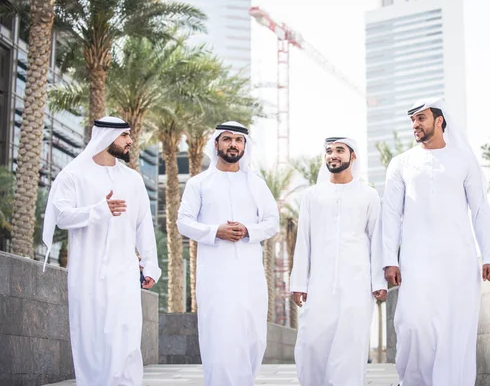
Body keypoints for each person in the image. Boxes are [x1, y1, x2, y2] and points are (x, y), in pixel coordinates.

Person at [377, 97, 490, 386]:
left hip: (459, 261)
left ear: (439, 121)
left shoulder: (464, 159)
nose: (415, 125)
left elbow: (480, 210)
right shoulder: (401, 163)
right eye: (412, 120)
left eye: (421, 118)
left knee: (456, 330)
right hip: (415, 262)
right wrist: (389, 260)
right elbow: (391, 214)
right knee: (412, 325)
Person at [42, 116, 161, 386]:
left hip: (125, 273)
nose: (130, 141)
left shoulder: (133, 180)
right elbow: (61, 215)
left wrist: (151, 265)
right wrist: (99, 210)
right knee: (92, 342)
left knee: (128, 340)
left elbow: (144, 225)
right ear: (106, 138)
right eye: (124, 136)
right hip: (88, 274)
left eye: (129, 135)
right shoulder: (74, 175)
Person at [177, 121, 279, 385]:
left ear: (245, 145)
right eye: (227, 139)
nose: (233, 144)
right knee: (219, 336)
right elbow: (183, 222)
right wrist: (215, 231)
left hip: (250, 274)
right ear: (217, 144)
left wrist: (248, 230)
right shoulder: (199, 183)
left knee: (253, 336)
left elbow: (272, 222)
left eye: (238, 140)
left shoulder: (256, 183)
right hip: (215, 275)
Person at [290, 137, 387, 386]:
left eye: (340, 151)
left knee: (350, 346)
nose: (333, 155)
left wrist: (379, 280)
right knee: (310, 344)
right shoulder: (312, 195)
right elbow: (303, 241)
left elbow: (377, 240)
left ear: (352, 157)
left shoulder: (369, 195)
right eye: (329, 151)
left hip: (357, 283)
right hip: (319, 284)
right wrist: (298, 282)